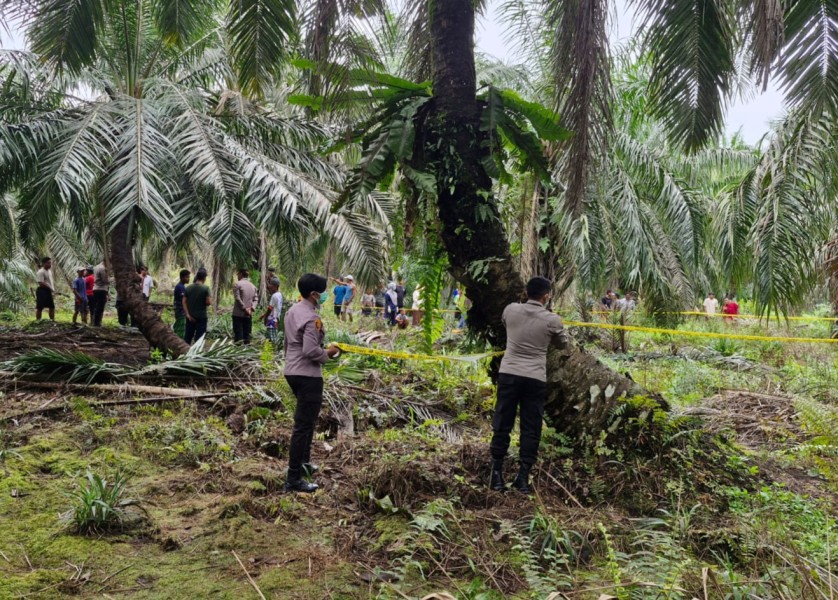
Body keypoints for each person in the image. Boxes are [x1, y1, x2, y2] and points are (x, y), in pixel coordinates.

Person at [490, 276, 565, 494]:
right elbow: (562, 344)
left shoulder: (510, 310)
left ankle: (496, 474)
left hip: (509, 374)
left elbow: (506, 324)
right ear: (546, 296)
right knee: (531, 427)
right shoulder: (552, 320)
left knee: (502, 422)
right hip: (534, 378)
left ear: (525, 292)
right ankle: (522, 478)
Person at [283, 273, 340, 492]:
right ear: (314, 294)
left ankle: (304, 463)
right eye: (323, 292)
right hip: (308, 374)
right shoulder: (311, 318)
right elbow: (309, 350)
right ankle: (293, 478)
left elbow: (288, 344)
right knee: (303, 426)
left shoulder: (292, 311)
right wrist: (329, 353)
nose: (325, 295)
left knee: (306, 421)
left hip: (292, 370)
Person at [183, 269, 212, 343]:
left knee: (188, 336)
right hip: (201, 317)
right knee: (199, 338)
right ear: (204, 278)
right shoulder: (206, 288)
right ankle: (197, 350)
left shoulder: (188, 288)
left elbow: (184, 302)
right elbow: (208, 302)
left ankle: (185, 349)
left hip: (190, 317)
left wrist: (187, 314)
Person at [232, 269, 258, 345]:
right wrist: (251, 308)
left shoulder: (237, 284)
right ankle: (247, 350)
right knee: (247, 335)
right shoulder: (253, 286)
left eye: (238, 275)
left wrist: (244, 308)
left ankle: (238, 350)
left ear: (240, 274)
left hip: (238, 314)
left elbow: (237, 298)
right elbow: (256, 299)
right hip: (248, 314)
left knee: (238, 335)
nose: (237, 276)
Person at [260, 277, 283, 344]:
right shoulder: (279, 295)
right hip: (276, 320)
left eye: (271, 284)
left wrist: (265, 317)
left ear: (275, 286)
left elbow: (270, 308)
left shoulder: (274, 296)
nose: (269, 286)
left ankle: (274, 350)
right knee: (273, 338)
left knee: (272, 340)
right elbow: (275, 308)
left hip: (271, 321)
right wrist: (264, 315)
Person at [35, 257, 55, 321]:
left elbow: (49, 282)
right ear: (43, 263)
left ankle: (52, 320)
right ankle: (38, 321)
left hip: (48, 291)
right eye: (48, 263)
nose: (50, 264)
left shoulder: (49, 271)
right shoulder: (41, 272)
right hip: (42, 291)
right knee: (40, 307)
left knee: (52, 307)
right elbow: (41, 283)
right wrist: (50, 288)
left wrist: (52, 289)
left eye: (50, 263)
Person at [91, 259, 110, 327]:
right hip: (101, 289)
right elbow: (105, 280)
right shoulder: (102, 268)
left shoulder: (96, 267)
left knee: (96, 306)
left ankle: (94, 322)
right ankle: (97, 323)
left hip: (95, 288)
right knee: (100, 307)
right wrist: (112, 279)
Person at [172, 269, 190, 339]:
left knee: (181, 328)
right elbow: (183, 300)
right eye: (187, 277)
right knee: (180, 329)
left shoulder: (182, 286)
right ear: (182, 277)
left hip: (180, 310)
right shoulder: (180, 287)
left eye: (188, 277)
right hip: (180, 310)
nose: (188, 279)